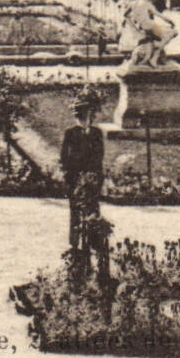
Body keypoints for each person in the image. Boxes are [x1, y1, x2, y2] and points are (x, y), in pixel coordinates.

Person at [59, 93, 106, 251]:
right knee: (75, 209)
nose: (82, 120)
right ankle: (74, 242)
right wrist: (71, 174)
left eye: (85, 117)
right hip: (75, 177)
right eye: (79, 117)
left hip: (92, 176)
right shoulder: (70, 133)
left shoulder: (96, 133)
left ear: (90, 117)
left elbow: (99, 155)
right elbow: (65, 156)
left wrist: (93, 174)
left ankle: (94, 240)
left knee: (93, 207)